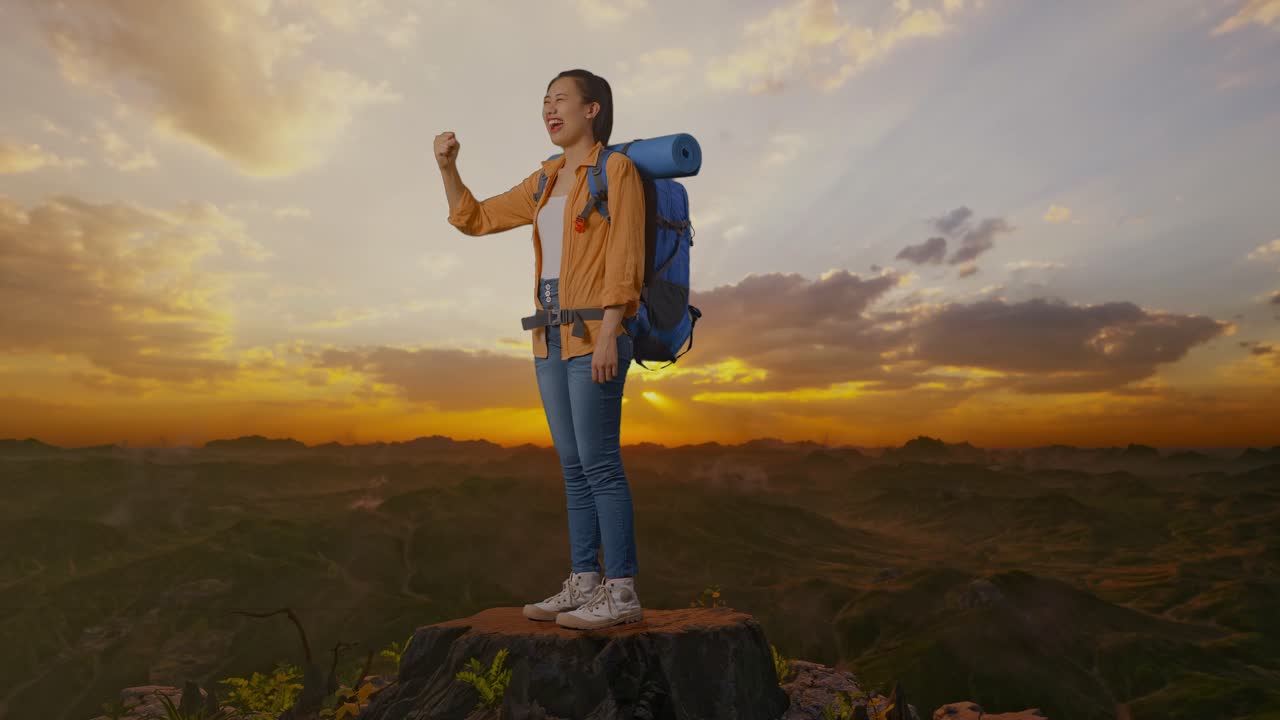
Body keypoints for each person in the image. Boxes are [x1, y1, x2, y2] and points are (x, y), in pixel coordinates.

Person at [434, 69, 646, 630]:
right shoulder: (546, 181)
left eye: (560, 101)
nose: (549, 111)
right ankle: (583, 582)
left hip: (596, 333)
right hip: (547, 337)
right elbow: (474, 218)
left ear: (592, 109)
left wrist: (609, 329)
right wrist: (448, 167)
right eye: (544, 103)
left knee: (601, 464)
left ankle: (621, 592)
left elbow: (625, 257)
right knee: (573, 467)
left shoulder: (615, 170)